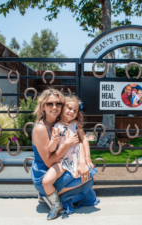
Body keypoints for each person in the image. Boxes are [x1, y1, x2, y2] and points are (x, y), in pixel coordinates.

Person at [31, 88, 99, 220]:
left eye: (58, 103)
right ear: (43, 106)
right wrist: (67, 143)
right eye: (49, 104)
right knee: (88, 178)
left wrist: (84, 161)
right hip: (46, 171)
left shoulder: (65, 124)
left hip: (63, 162)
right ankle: (50, 198)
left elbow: (80, 141)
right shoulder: (41, 128)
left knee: (88, 178)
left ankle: (55, 195)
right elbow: (50, 160)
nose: (54, 107)